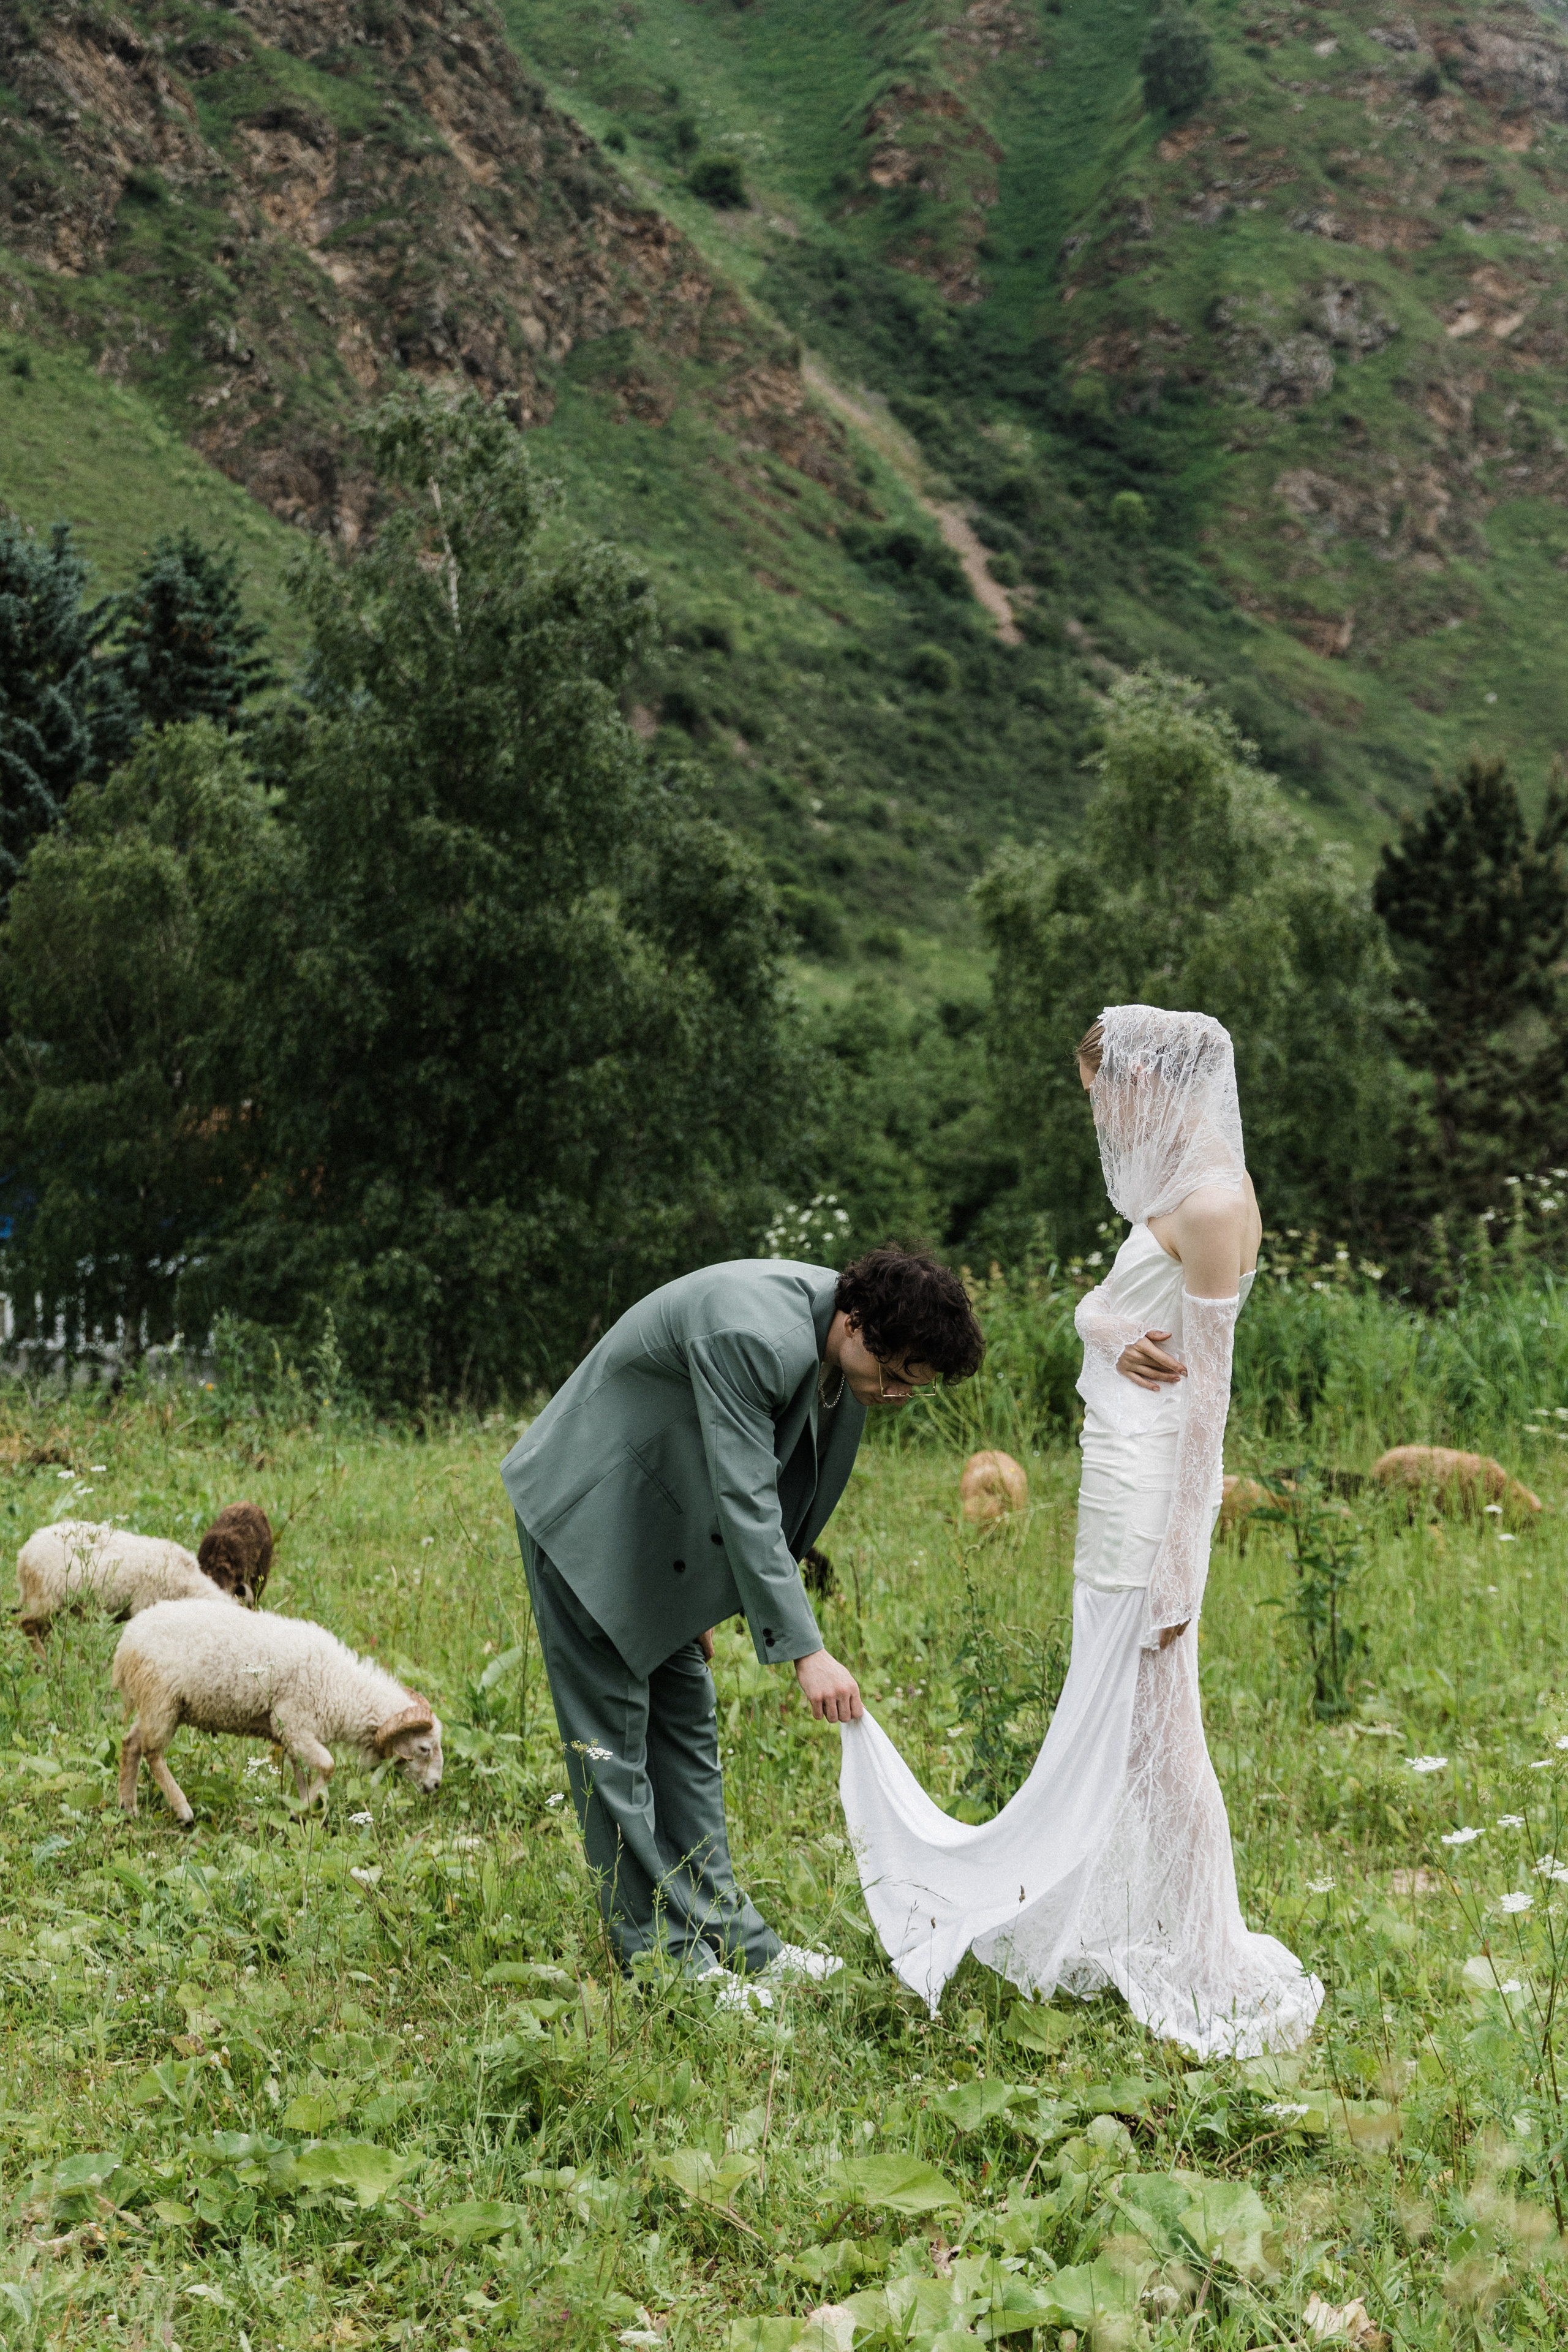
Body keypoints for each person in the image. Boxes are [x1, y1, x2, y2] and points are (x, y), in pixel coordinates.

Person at [840, 1006, 1324, 2058]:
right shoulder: (1171, 1192)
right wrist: (1102, 1324)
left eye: (1101, 1097)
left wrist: (1183, 1561)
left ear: (1145, 1081)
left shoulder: (1213, 1201)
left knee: (1166, 1738)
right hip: (1114, 1478)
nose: (1100, 1116)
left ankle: (1208, 1953)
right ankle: (1157, 1925)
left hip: (1155, 1495)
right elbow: (1104, 1310)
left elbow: (1211, 1399)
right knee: (1134, 1731)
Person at [501, 1247, 986, 2002]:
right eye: (894, 1375)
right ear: (857, 1323)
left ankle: (735, 1941)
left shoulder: (839, 1347)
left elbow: (783, 1485)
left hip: (659, 1525)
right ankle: (663, 1961)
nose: (895, 1395)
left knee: (686, 1729)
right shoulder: (754, 1335)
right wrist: (806, 1652)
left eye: (911, 1387)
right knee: (615, 1748)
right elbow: (746, 1493)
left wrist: (699, 1601)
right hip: (591, 1514)